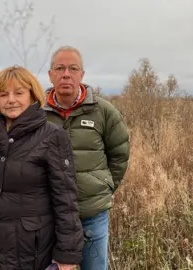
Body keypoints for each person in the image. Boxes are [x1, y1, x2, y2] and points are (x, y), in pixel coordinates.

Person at [0, 65, 84, 270]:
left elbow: (66, 200)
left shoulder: (52, 136)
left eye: (18, 93)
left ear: (32, 95)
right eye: (3, 94)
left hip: (30, 251)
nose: (11, 100)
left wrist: (67, 256)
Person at [45, 46, 130, 270]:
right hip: (48, 216)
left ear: (82, 75)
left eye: (73, 68)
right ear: (50, 74)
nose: (66, 74)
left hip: (92, 215)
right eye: (60, 68)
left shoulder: (104, 111)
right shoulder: (37, 113)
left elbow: (119, 154)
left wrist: (104, 187)